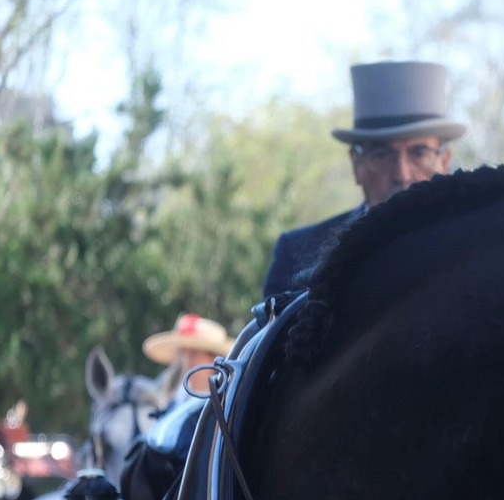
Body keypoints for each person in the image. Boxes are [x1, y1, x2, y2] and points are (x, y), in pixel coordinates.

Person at [262, 60, 466, 296]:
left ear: (445, 161)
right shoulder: (298, 255)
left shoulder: (474, 247)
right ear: (356, 165)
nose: (402, 175)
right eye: (382, 155)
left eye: (419, 153)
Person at [142, 312, 234, 403]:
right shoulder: (174, 402)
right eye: (182, 355)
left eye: (194, 354)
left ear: (215, 359)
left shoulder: (226, 402)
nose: (187, 362)